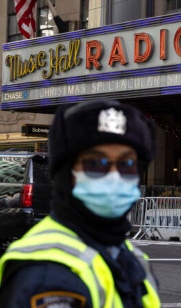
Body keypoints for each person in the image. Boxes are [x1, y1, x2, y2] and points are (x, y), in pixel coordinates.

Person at [0, 100, 161, 307]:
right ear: (66, 174)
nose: (114, 176)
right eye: (95, 163)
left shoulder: (127, 253)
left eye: (126, 163)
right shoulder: (47, 271)